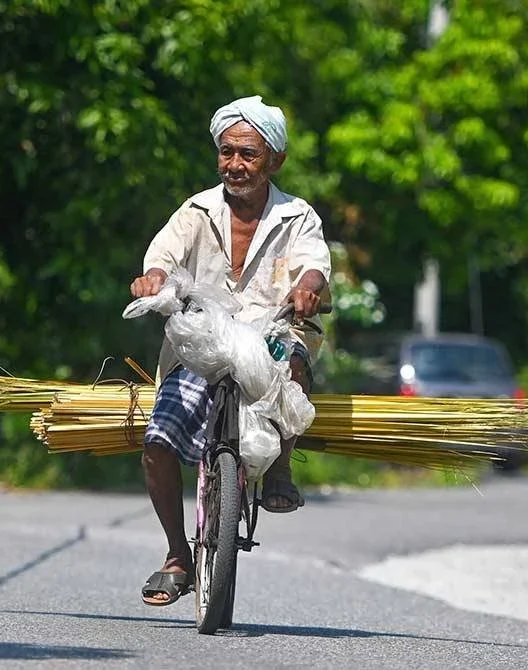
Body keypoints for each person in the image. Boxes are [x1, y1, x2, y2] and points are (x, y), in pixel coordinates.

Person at [129, 95, 332, 606]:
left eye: (248, 154)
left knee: (295, 363)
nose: (235, 164)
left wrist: (308, 289)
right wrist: (153, 278)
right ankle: (177, 556)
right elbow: (162, 255)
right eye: (227, 152)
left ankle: (280, 465)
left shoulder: (297, 217)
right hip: (205, 342)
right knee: (157, 443)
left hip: (272, 335)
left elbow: (314, 266)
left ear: (275, 161)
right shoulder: (196, 210)